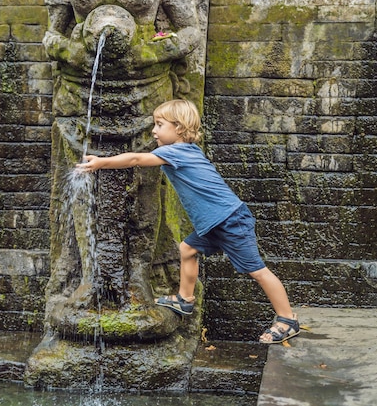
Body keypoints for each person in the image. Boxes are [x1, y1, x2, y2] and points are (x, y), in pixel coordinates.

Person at [78, 99, 300, 344]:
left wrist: (101, 163)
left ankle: (287, 319)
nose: (154, 130)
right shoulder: (189, 150)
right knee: (187, 249)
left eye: (159, 124)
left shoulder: (174, 152)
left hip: (229, 220)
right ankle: (185, 299)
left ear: (179, 129)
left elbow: (135, 160)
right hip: (215, 222)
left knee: (257, 271)